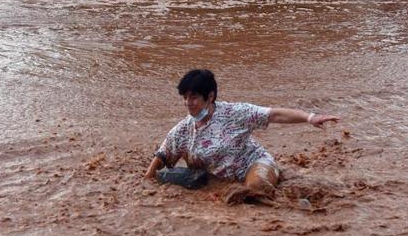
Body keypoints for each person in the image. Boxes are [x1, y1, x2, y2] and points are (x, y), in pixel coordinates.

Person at [144, 69, 340, 205]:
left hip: (254, 165)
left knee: (255, 189)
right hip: (220, 179)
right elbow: (162, 156)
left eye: (193, 97)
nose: (188, 103)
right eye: (185, 98)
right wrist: (147, 184)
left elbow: (274, 114)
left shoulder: (235, 113)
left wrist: (310, 117)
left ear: (210, 97)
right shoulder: (183, 130)